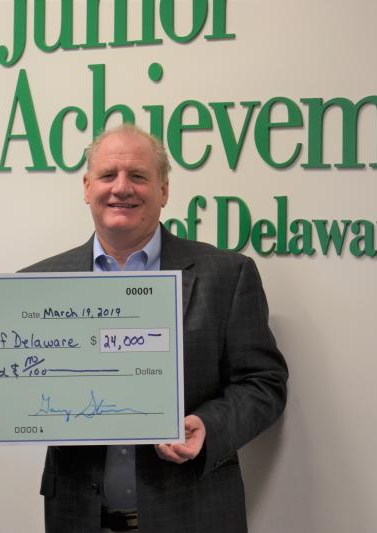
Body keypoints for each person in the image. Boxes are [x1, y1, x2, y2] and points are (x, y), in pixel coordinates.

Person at [22, 124, 289, 532]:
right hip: (78, 518)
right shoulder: (38, 284)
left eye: (138, 176)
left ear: (163, 190)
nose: (121, 188)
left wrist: (209, 426)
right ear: (87, 187)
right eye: (108, 175)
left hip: (194, 516)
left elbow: (264, 383)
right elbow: (15, 388)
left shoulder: (227, 275)